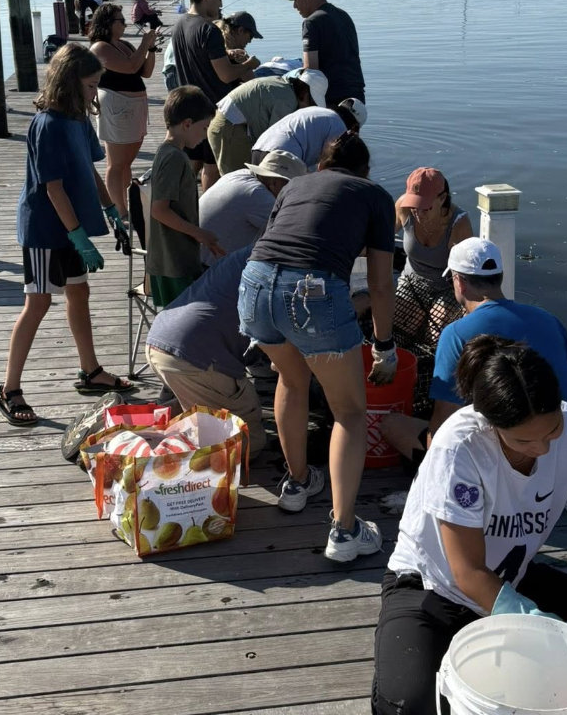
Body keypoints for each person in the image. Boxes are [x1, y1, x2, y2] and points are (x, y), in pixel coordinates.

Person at [372, 335, 567, 715]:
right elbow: (469, 572)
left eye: (552, 431)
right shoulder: (460, 446)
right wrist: (560, 633)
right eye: (525, 440)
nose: (543, 449)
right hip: (436, 589)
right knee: (408, 711)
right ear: (492, 425)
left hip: (512, 579)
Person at [239, 131, 397, 562]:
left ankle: (296, 483)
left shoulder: (295, 184)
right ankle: (345, 532)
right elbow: (381, 285)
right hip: (310, 292)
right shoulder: (374, 195)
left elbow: (277, 247)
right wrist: (385, 346)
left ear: (322, 167)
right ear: (364, 171)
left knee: (291, 379)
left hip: (254, 285)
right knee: (349, 411)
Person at [0, 44, 130, 426]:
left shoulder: (78, 119)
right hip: (44, 229)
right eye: (89, 86)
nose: (93, 94)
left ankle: (90, 371)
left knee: (79, 292)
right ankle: (9, 388)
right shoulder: (47, 124)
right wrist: (78, 238)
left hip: (71, 228)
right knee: (38, 303)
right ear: (70, 84)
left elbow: (88, 172)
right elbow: (53, 189)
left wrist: (112, 210)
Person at [381, 236, 567, 474]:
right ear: (499, 277)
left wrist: (436, 472)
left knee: (392, 424)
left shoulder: (456, 333)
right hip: (558, 453)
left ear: (458, 282)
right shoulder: (550, 320)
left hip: (500, 462)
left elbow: (442, 422)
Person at [145, 248, 268, 454]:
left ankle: (180, 420)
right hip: (193, 359)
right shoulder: (280, 269)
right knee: (250, 444)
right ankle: (160, 448)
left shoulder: (242, 254)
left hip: (159, 339)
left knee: (214, 401)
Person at [171, 0, 261, 191]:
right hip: (212, 110)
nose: (221, 4)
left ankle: (181, 207)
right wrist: (249, 65)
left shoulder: (179, 25)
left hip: (188, 106)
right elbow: (226, 76)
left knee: (194, 164)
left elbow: (197, 60)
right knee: (212, 168)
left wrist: (228, 57)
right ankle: (208, 215)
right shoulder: (208, 30)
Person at [393, 167, 473, 406]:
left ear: (442, 199)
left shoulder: (459, 224)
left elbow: (464, 277)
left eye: (425, 207)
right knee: (398, 330)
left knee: (438, 337)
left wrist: (466, 310)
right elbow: (378, 243)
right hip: (411, 279)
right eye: (414, 205)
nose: (418, 213)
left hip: (445, 286)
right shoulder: (403, 208)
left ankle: (433, 394)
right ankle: (403, 384)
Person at [145, 85, 219, 308]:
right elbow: (159, 210)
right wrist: (200, 234)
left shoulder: (167, 152)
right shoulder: (174, 158)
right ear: (187, 124)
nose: (205, 135)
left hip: (174, 260)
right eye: (204, 128)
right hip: (173, 263)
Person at [88, 1, 156, 220]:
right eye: (121, 20)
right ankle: (118, 209)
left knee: (126, 162)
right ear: (107, 23)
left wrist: (151, 48)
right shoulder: (100, 47)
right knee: (116, 163)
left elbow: (144, 71)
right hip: (117, 106)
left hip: (135, 107)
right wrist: (144, 43)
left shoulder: (124, 44)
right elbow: (129, 67)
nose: (125, 24)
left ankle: (125, 204)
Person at [207, 67, 328, 176]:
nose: (310, 109)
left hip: (224, 123)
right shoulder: (287, 102)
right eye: (312, 103)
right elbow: (275, 144)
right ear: (305, 93)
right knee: (239, 179)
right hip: (230, 128)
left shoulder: (283, 85)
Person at [198, 149, 307, 265]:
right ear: (275, 183)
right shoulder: (258, 195)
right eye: (292, 188)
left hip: (198, 255)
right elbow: (296, 235)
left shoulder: (240, 174)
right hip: (208, 267)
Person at [284, 0, 365, 107]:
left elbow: (311, 72)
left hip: (332, 98)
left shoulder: (311, 22)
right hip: (356, 97)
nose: (294, 6)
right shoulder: (344, 16)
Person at [250, 98, 367, 171]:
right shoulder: (339, 127)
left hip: (258, 148)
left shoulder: (316, 111)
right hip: (283, 157)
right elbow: (329, 163)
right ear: (355, 127)